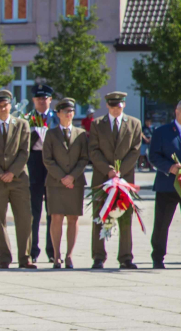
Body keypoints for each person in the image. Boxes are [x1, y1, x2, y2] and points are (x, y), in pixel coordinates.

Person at [88, 91, 143, 269]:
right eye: (112, 106)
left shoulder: (134, 123)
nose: (115, 109)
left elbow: (135, 150)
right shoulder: (97, 124)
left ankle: (125, 257)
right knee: (99, 217)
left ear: (124, 105)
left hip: (124, 179)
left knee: (125, 218)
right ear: (107, 106)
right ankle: (98, 257)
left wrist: (120, 171)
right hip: (102, 178)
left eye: (118, 106)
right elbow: (93, 150)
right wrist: (109, 170)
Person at [0, 90, 35, 269]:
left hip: (18, 179)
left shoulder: (22, 125)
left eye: (5, 105)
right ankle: (4, 257)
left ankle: (25, 257)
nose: (3, 109)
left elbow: (24, 152)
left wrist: (12, 172)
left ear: (10, 106)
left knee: (24, 219)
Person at [42, 98, 88, 269]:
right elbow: (47, 159)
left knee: (73, 218)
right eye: (66, 111)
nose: (69, 114)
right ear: (58, 113)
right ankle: (56, 256)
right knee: (56, 217)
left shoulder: (81, 134)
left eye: (71, 111)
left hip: (75, 182)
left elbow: (84, 158)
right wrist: (62, 177)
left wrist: (72, 177)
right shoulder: (51, 134)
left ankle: (69, 255)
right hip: (56, 182)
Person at [148, 98, 181, 269]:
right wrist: (170, 167)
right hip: (167, 185)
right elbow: (153, 156)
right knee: (162, 224)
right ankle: (158, 257)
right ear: (176, 112)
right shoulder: (162, 132)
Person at [26, 84, 60, 264]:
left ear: (50, 100)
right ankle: (32, 251)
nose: (41, 101)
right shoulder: (27, 118)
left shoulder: (57, 118)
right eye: (38, 98)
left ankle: (52, 250)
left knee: (52, 210)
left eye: (44, 98)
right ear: (33, 100)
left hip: (52, 164)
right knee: (34, 211)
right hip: (34, 163)